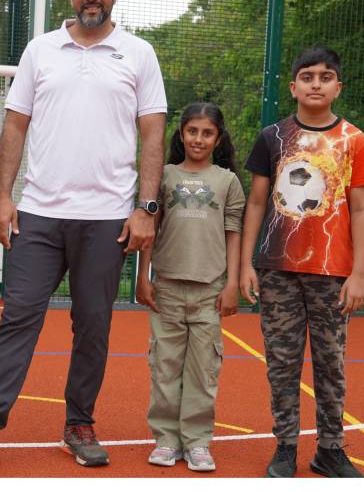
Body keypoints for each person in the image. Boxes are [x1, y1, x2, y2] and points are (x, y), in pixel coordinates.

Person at [0, 0, 167, 472]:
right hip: (38, 213)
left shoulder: (138, 54)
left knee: (94, 325)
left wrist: (146, 208)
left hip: (108, 217)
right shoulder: (41, 50)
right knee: (18, 318)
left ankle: (79, 424)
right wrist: (2, 196)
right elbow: (15, 125)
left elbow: (153, 133)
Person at [239, 46, 364, 478]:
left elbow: (360, 208)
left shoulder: (353, 139)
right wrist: (245, 264)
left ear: (338, 86)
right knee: (281, 361)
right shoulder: (273, 136)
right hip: (278, 269)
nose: (316, 83)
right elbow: (258, 201)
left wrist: (358, 274)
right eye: (307, 76)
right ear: (293, 85)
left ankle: (331, 449)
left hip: (332, 273)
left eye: (325, 76)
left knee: (330, 363)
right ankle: (285, 446)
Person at [136, 103, 244, 472]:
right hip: (166, 287)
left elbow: (234, 234)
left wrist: (232, 283)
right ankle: (166, 440)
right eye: (192, 131)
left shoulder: (227, 181)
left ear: (218, 137)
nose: (199, 139)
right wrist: (142, 276)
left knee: (203, 371)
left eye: (207, 133)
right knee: (165, 369)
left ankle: (197, 442)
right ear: (181, 134)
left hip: (209, 292)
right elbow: (149, 231)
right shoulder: (163, 176)